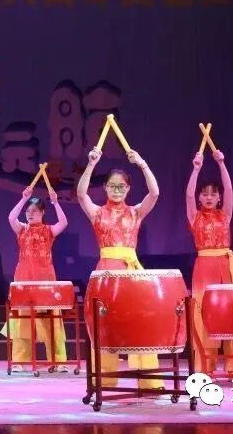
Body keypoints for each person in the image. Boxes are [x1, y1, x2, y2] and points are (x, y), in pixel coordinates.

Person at [76, 146, 163, 390]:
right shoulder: (97, 213)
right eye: (112, 186)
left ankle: (148, 380)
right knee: (104, 323)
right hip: (106, 271)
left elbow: (155, 193)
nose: (116, 190)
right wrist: (91, 164)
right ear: (105, 188)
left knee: (141, 322)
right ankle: (105, 380)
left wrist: (141, 163)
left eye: (121, 186)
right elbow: (81, 195)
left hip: (132, 272)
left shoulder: (136, 212)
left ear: (128, 189)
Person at [186, 148, 233, 373]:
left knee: (230, 311)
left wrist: (221, 163)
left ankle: (232, 364)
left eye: (213, 194)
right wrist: (196, 169)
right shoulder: (195, 217)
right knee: (203, 312)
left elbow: (229, 188)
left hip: (226, 265)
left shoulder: (225, 215)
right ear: (200, 197)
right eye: (205, 194)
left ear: (219, 198)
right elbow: (188, 195)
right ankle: (205, 365)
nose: (209, 197)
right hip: (204, 268)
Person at [4, 187, 68, 372]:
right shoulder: (22, 229)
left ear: (42, 213)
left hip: (45, 280)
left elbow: (63, 222)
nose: (30, 214)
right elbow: (11, 217)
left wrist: (55, 202)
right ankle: (20, 361)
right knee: (22, 321)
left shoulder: (48, 231)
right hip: (24, 280)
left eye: (35, 211)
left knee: (52, 320)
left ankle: (58, 361)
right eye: (28, 211)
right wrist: (24, 199)